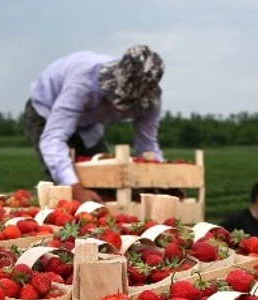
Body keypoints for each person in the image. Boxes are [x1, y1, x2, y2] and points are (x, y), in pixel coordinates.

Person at [22, 44, 166, 203]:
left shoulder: (150, 103)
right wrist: (76, 189)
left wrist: (162, 183)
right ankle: (29, 202)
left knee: (107, 183)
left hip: (90, 124)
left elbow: (148, 147)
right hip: (46, 113)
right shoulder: (83, 81)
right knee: (64, 192)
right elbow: (53, 138)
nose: (118, 108)